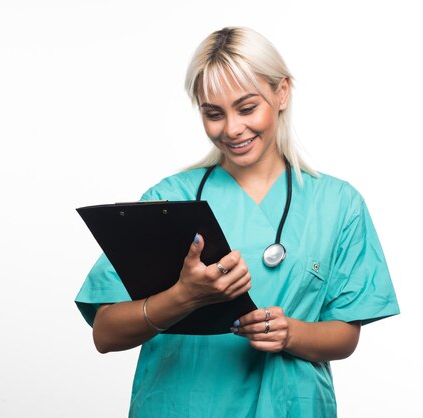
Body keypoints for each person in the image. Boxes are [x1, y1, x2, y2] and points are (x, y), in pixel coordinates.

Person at [75, 26, 399, 418]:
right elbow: (105, 333)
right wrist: (183, 297)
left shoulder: (337, 204)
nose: (231, 129)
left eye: (247, 108)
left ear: (282, 93)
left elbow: (345, 334)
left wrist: (291, 333)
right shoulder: (168, 200)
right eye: (213, 114)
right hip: (181, 406)